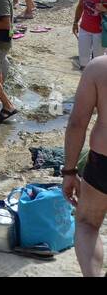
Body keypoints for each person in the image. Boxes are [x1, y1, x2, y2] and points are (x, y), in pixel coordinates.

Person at [62, 55, 107, 277]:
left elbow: (78, 122)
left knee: (87, 224)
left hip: (103, 161)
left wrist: (69, 171)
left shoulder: (99, 67)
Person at [73, 0, 106, 70]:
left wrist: (104, 9)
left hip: (100, 31)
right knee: (83, 59)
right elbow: (80, 7)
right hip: (84, 28)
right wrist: (75, 22)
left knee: (98, 60)